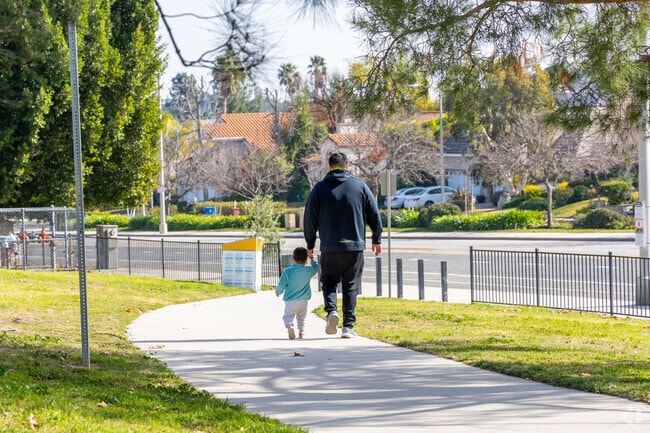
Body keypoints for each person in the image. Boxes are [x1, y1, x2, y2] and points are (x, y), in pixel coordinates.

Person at [304, 151, 382, 338]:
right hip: (354, 246)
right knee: (351, 285)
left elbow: (310, 218)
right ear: (347, 167)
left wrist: (310, 243)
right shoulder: (360, 186)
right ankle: (348, 326)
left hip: (330, 246)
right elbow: (374, 213)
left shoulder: (319, 189)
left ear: (329, 167)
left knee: (329, 281)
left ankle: (331, 312)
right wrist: (376, 239)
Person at [275, 247, 319, 340]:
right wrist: (312, 259)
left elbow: (281, 284)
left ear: (293, 259)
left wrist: (278, 292)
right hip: (304, 300)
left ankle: (290, 326)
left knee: (288, 316)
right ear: (306, 259)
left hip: (290, 300)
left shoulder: (287, 271)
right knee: (301, 317)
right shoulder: (308, 270)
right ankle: (301, 333)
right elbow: (316, 268)